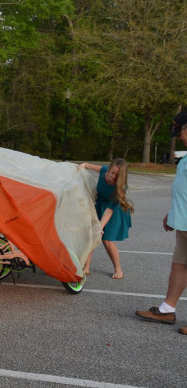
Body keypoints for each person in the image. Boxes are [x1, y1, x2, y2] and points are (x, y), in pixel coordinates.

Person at [136, 111, 187, 335]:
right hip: (183, 223)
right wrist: (172, 213)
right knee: (179, 265)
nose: (181, 136)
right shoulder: (185, 158)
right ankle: (167, 309)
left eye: (182, 131)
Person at [79, 159, 134, 279]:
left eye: (117, 176)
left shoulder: (120, 188)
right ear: (109, 169)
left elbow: (109, 211)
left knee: (107, 241)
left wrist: (100, 226)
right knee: (91, 236)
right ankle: (86, 267)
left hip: (113, 210)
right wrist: (86, 165)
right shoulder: (104, 171)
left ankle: (118, 269)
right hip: (99, 205)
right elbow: (98, 168)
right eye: (112, 173)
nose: (113, 177)